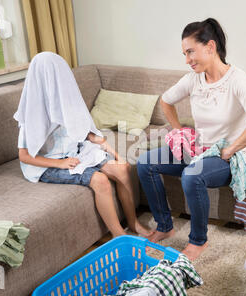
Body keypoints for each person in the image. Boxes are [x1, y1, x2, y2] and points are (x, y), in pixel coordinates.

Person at [137, 18, 246, 260]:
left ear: (210, 47)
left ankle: (199, 241)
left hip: (225, 156)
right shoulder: (193, 78)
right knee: (145, 162)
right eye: (185, 53)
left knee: (192, 174)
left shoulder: (238, 79)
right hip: (198, 149)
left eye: (190, 52)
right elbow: (166, 100)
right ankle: (165, 225)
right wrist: (179, 131)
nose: (187, 60)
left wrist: (231, 148)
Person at [14, 52, 153, 238]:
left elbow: (85, 132)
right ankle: (119, 236)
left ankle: (133, 222)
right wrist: (60, 164)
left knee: (122, 169)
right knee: (100, 180)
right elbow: (24, 156)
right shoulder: (31, 114)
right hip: (48, 164)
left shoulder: (65, 102)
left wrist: (112, 151)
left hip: (76, 152)